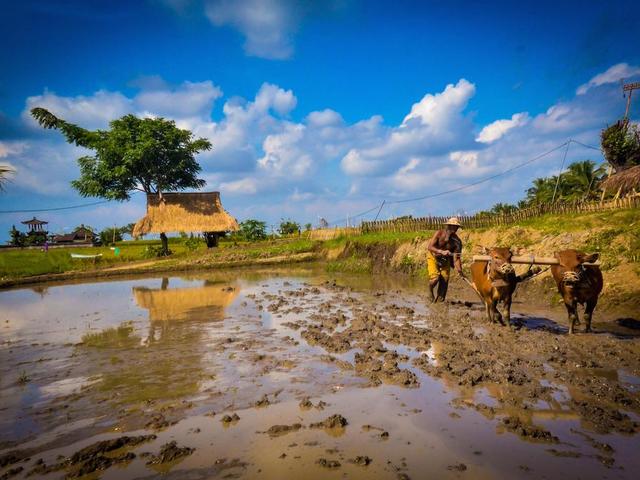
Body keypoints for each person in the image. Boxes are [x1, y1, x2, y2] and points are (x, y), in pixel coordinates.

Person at [426, 217, 465, 302]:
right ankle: (430, 289)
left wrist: (459, 270)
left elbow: (456, 258)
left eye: (456, 227)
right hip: (433, 257)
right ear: (448, 226)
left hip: (445, 260)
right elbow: (430, 247)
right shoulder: (439, 233)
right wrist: (441, 251)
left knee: (444, 280)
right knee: (435, 279)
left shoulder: (457, 242)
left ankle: (440, 301)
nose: (454, 229)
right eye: (452, 226)